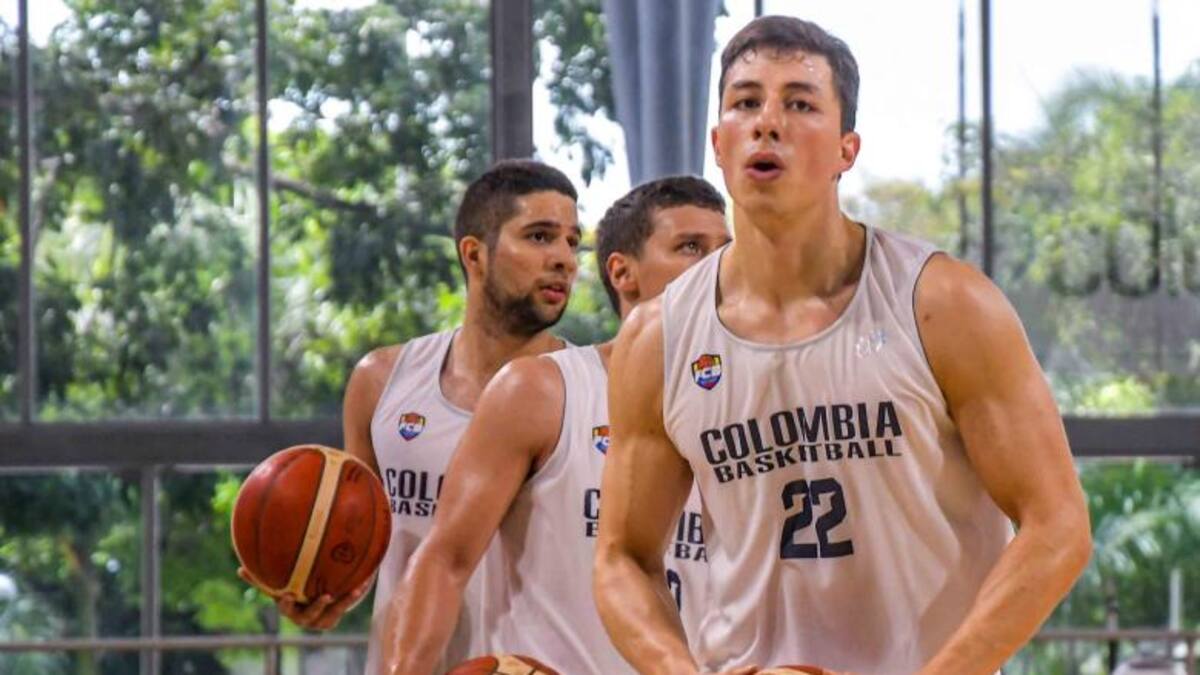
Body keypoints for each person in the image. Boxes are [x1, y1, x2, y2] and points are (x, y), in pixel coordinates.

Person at [592, 16, 1092, 675]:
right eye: (746, 102)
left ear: (845, 150)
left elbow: (1057, 525)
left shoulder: (942, 303)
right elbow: (622, 557)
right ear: (717, 142)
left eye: (800, 104)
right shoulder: (661, 337)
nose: (767, 123)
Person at [238, 159, 582, 673]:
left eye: (573, 242)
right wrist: (326, 588)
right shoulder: (382, 382)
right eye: (539, 236)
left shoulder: (594, 394)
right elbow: (362, 544)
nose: (564, 260)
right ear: (474, 253)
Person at [380, 176, 732, 675]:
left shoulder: (754, 408)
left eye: (725, 250)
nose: (717, 266)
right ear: (622, 272)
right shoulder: (541, 391)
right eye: (690, 247)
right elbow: (445, 560)